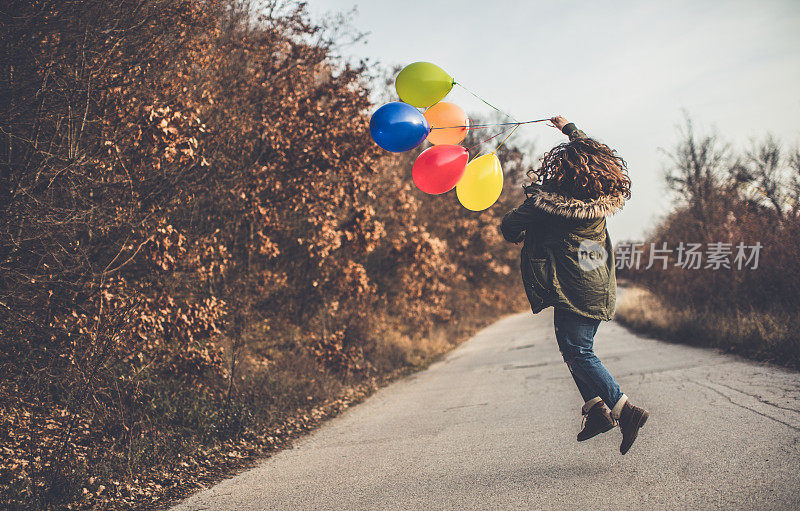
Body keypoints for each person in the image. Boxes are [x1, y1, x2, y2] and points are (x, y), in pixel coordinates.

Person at [500, 116, 649, 455]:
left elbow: (509, 227)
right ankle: (596, 411)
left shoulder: (546, 205)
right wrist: (571, 129)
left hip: (574, 287)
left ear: (562, 173)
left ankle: (625, 410)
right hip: (594, 279)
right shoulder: (601, 193)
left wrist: (531, 203)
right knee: (572, 350)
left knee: (579, 351)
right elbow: (593, 150)